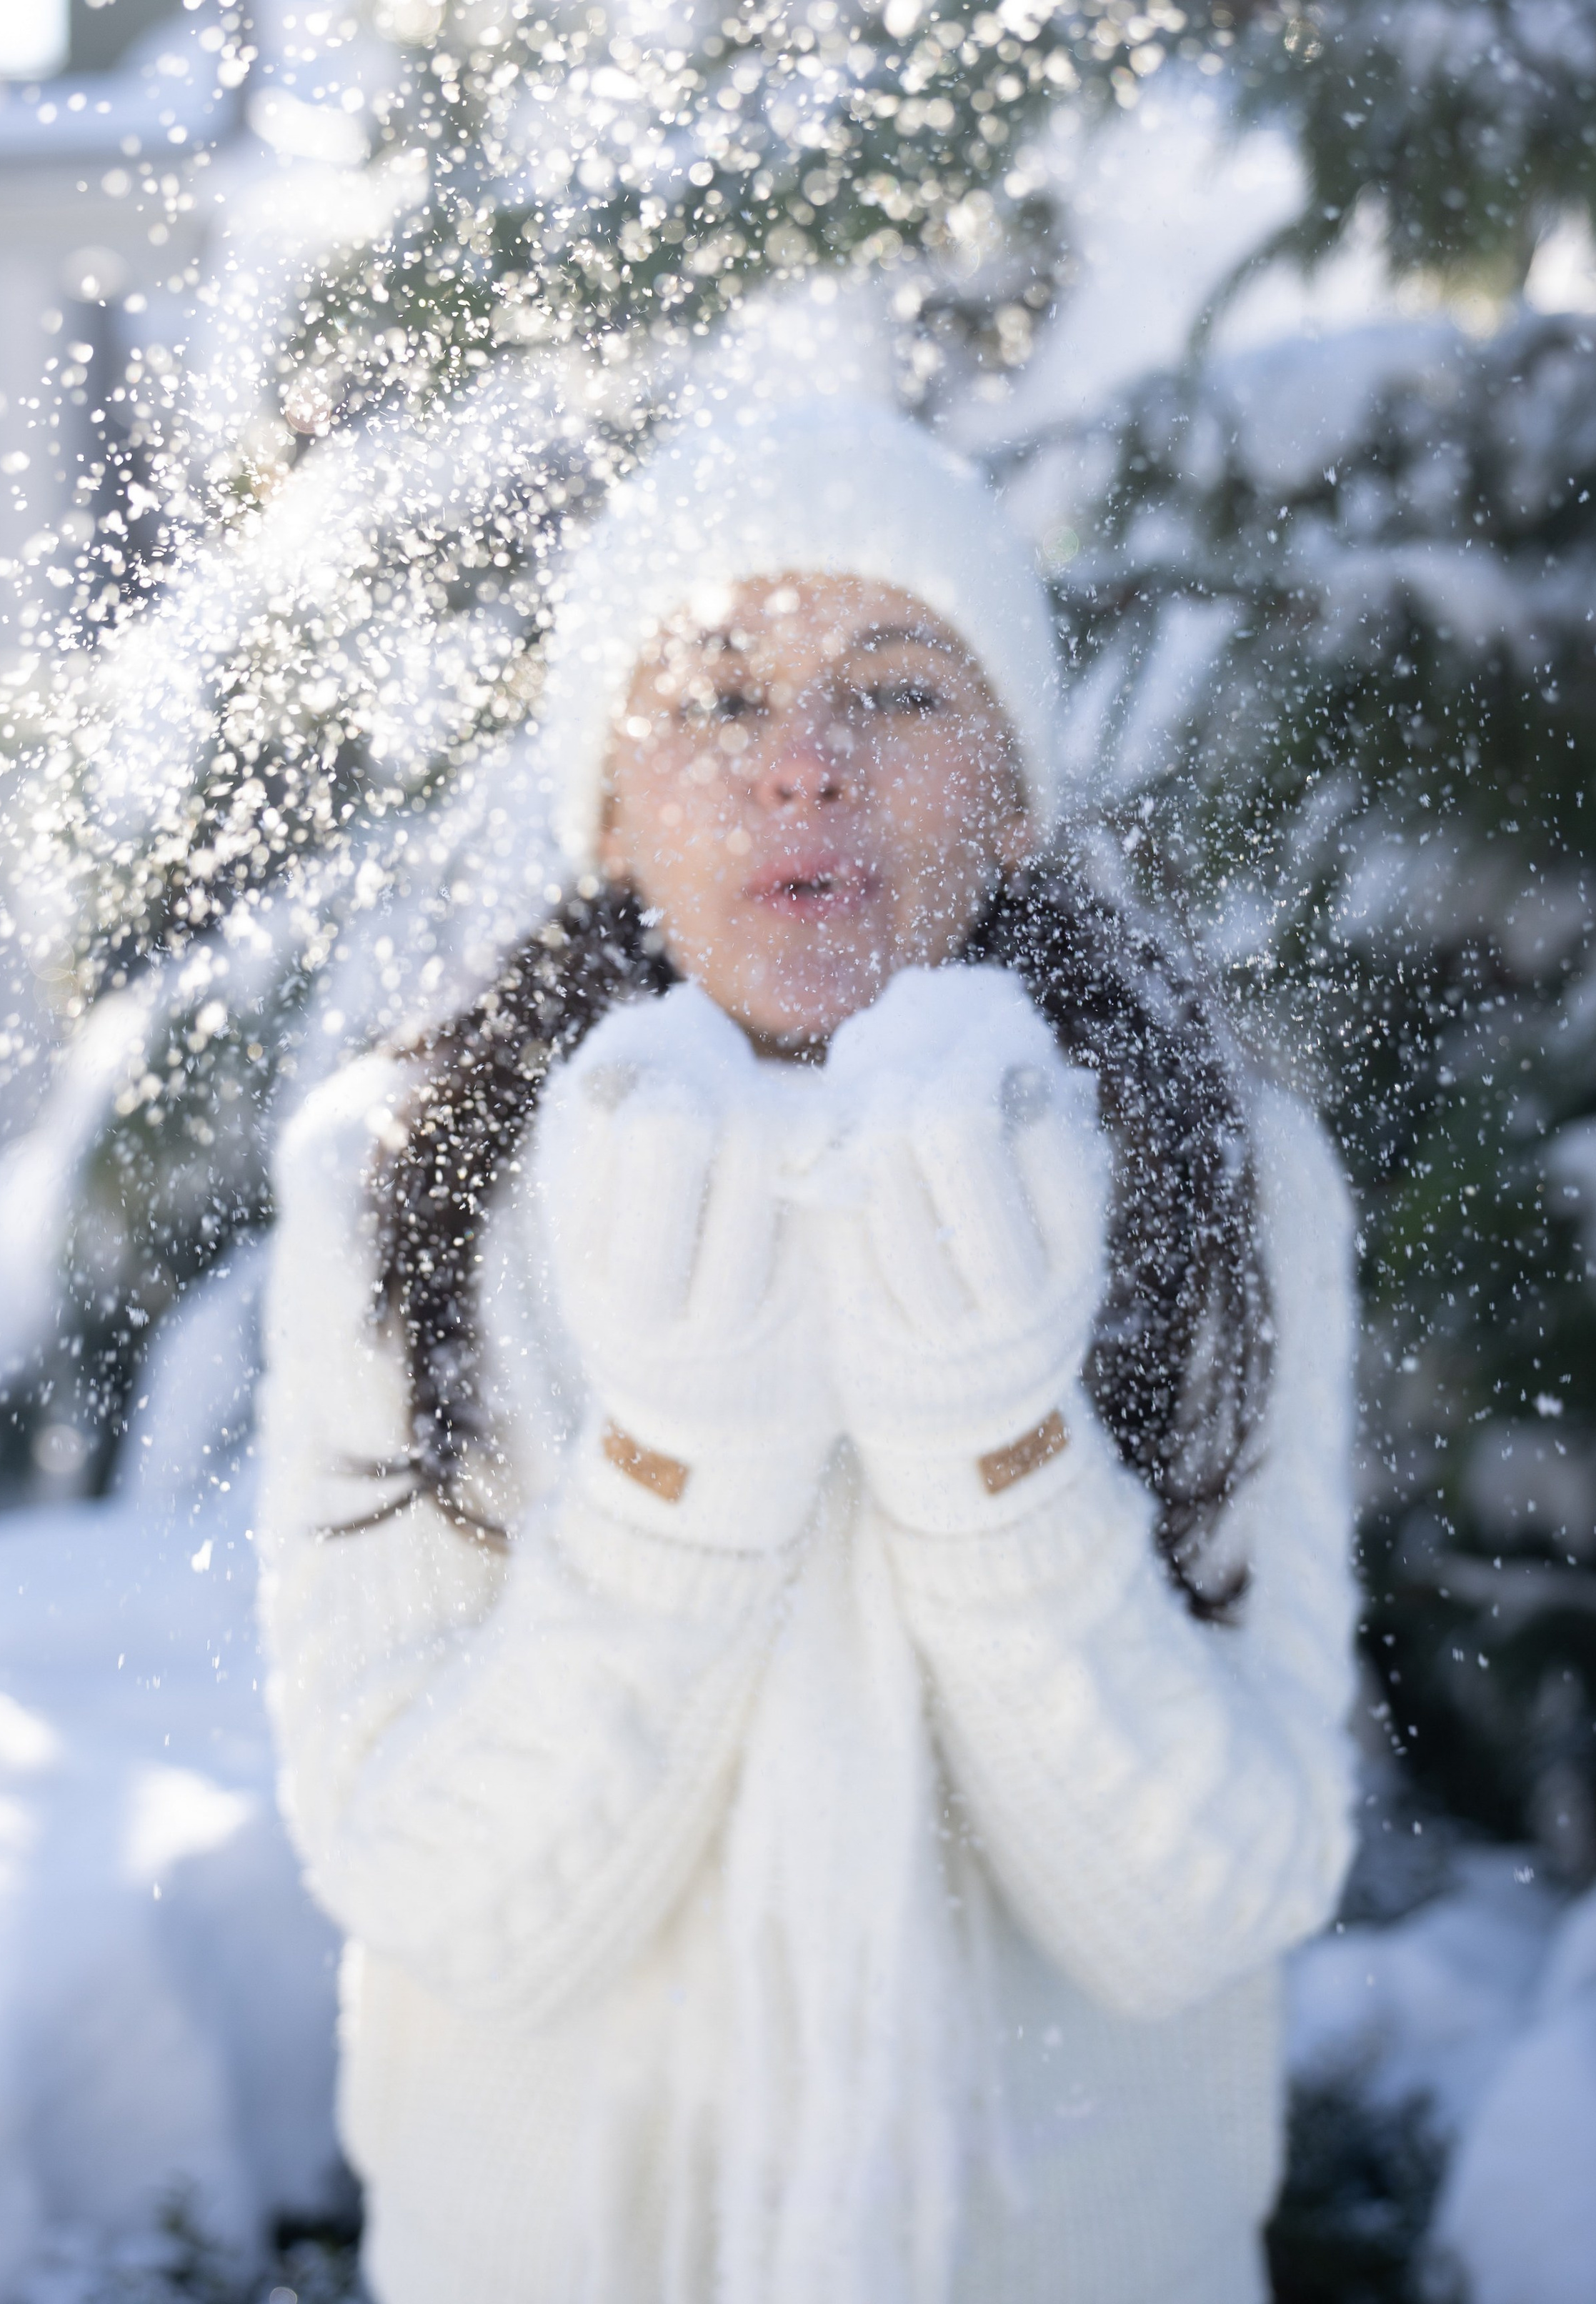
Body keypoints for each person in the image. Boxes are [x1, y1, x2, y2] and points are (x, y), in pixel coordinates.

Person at [259, 399, 1358, 2304]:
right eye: (712, 697)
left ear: (1016, 789)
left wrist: (995, 1441)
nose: (806, 768)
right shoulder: (395, 1189)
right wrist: (682, 1468)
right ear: (601, 803)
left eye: (901, 688)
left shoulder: (1224, 1182)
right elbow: (451, 1908)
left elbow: (1212, 1906)